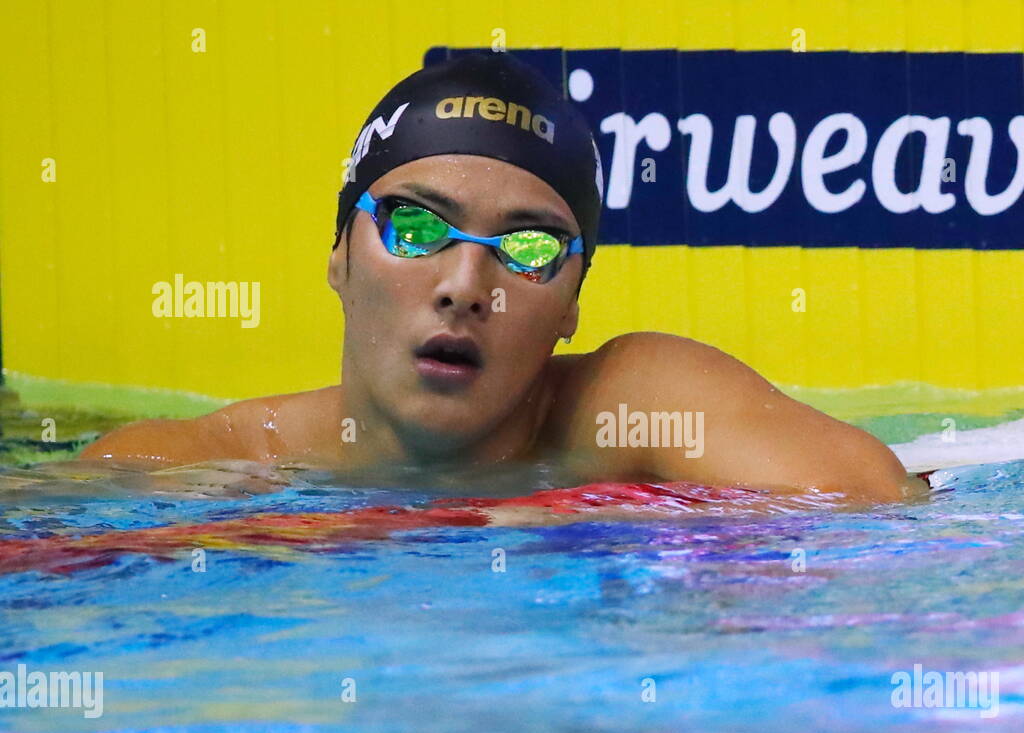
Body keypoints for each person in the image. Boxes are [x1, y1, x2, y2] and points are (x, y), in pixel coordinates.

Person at [81, 52, 921, 504]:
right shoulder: (190, 470)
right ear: (339, 254)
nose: (464, 285)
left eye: (527, 249)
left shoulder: (624, 407)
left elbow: (878, 507)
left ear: (573, 303)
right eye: (413, 226)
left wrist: (594, 518)